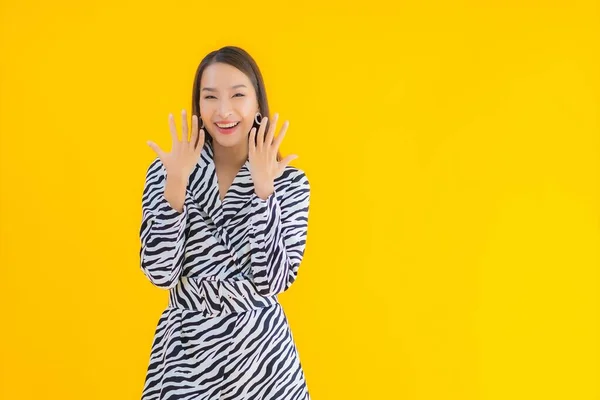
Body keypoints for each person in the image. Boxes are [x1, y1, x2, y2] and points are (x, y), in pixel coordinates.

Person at [138, 45, 311, 400]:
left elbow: (273, 280)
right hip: (186, 358)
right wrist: (176, 189)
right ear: (198, 105)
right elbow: (159, 273)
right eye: (210, 97)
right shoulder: (167, 171)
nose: (224, 110)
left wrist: (264, 193)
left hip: (262, 359)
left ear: (258, 103)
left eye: (238, 95)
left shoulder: (290, 182)